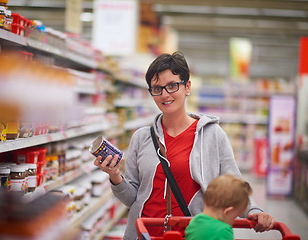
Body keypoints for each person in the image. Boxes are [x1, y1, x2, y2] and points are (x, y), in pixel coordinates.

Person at [94, 52, 275, 240]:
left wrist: (254, 211)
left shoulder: (212, 135)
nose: (165, 94)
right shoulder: (141, 138)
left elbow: (234, 184)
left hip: (193, 235)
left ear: (187, 86)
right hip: (145, 235)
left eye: (172, 86)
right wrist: (115, 176)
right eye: (157, 88)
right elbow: (132, 199)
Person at [185, 174, 253, 240]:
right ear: (227, 212)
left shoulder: (194, 222)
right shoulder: (223, 230)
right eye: (235, 216)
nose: (233, 221)